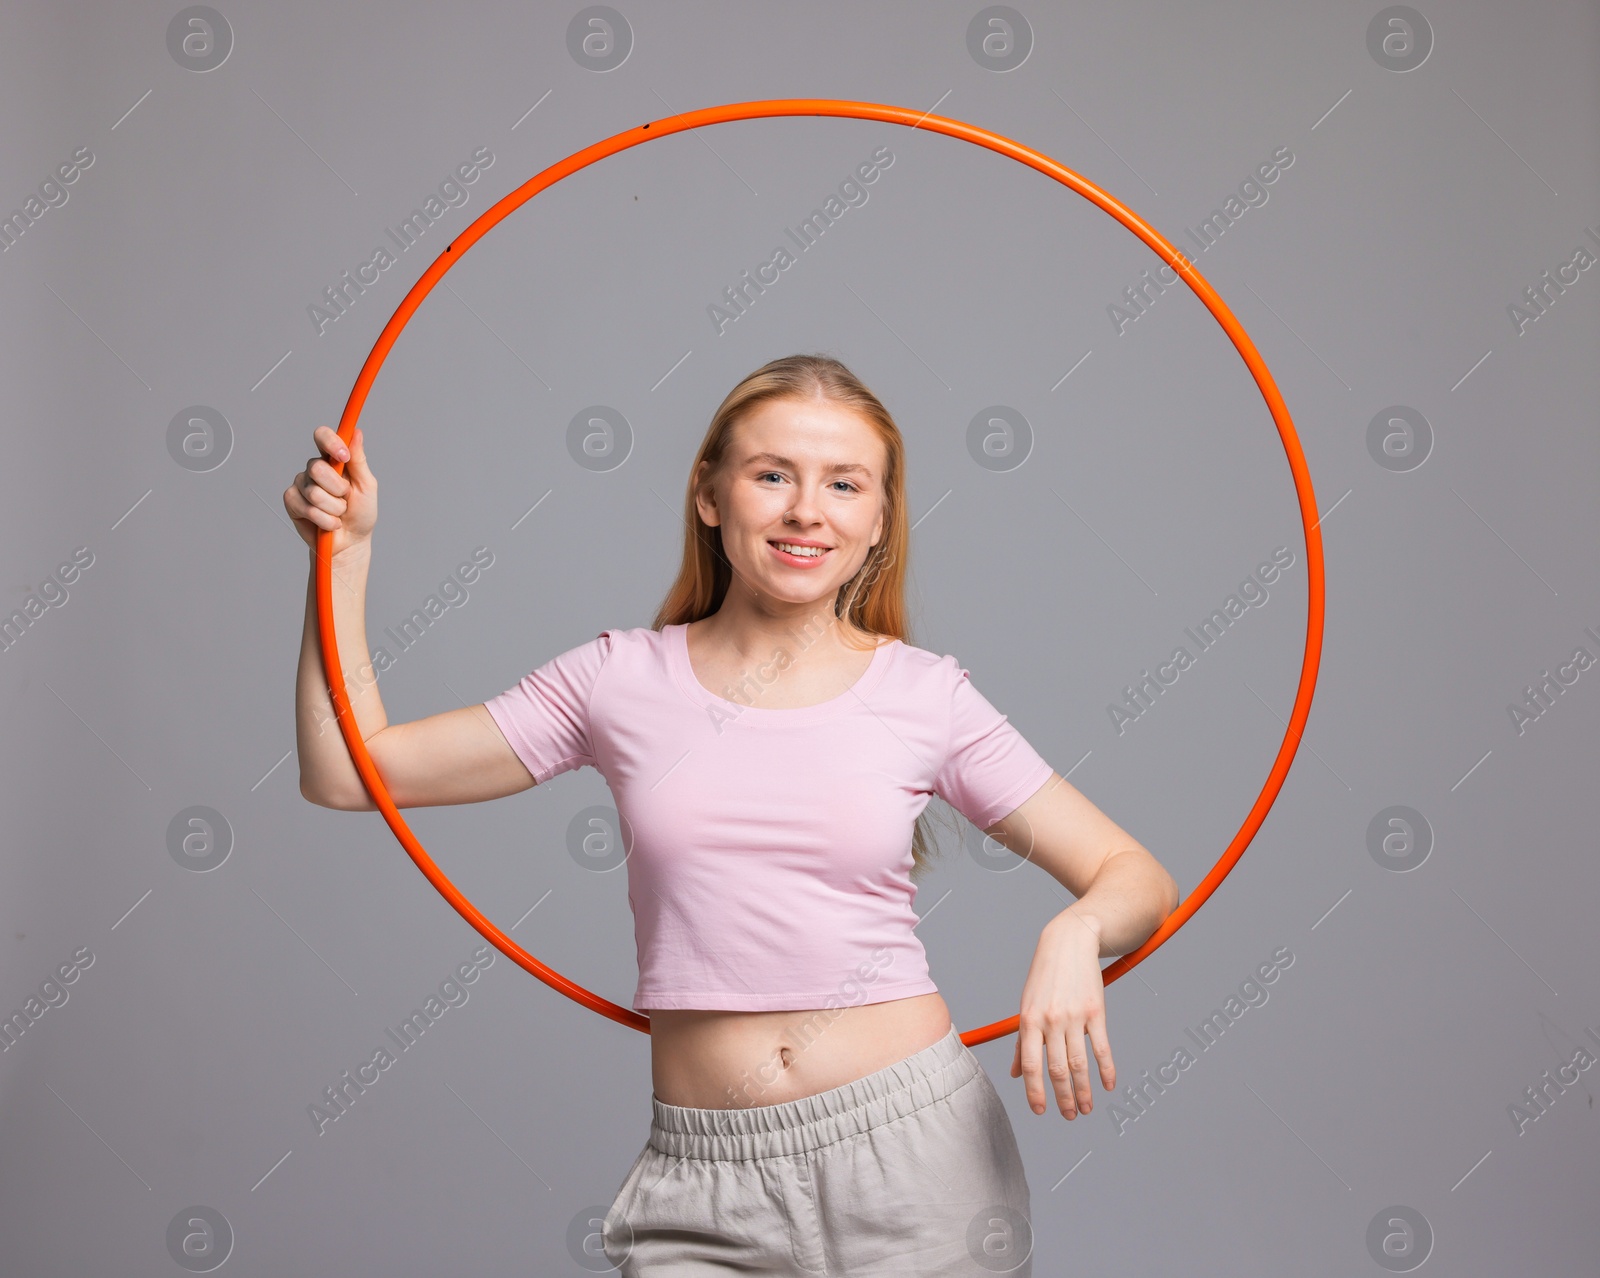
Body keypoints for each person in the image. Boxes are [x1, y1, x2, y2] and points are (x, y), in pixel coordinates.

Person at [286, 353, 1179, 1275]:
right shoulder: (616, 680)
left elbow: (1136, 878)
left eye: (844, 483)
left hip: (918, 1159)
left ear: (878, 520)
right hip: (702, 1180)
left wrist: (1075, 934)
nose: (807, 510)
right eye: (771, 475)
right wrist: (343, 560)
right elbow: (349, 773)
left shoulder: (924, 696)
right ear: (709, 496)